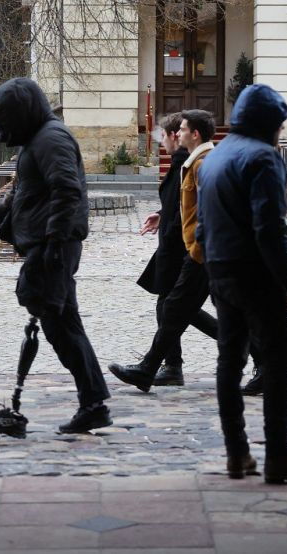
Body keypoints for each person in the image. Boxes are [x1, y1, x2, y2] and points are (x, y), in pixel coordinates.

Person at [196, 84, 287, 483]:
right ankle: (279, 456)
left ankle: (237, 454)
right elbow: (269, 227)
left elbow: (203, 224)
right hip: (254, 273)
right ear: (269, 124)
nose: (281, 133)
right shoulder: (262, 158)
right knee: (277, 362)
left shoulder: (216, 156)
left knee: (229, 361)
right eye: (280, 126)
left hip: (220, 269)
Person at [0, 78, 112, 435]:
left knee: (55, 324)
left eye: (6, 121)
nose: (3, 131)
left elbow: (66, 191)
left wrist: (53, 243)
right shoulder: (39, 139)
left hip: (54, 249)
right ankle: (93, 402)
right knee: (61, 325)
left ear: (22, 113)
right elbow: (29, 195)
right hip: (50, 246)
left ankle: (20, 410)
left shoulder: (51, 138)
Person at [107, 109, 220, 392]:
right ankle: (157, 367)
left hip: (198, 252)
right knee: (177, 308)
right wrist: (164, 213)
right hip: (196, 250)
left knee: (177, 308)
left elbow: (210, 211)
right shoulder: (192, 161)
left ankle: (159, 367)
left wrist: (196, 247)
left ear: (191, 134)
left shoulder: (200, 162)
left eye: (181, 130)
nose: (173, 137)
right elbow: (185, 207)